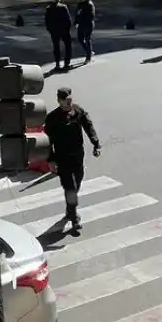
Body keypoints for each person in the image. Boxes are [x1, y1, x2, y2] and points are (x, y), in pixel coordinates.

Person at [43, 87, 101, 232]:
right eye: (66, 100)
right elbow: (46, 140)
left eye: (70, 99)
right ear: (59, 100)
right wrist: (50, 159)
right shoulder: (52, 118)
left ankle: (70, 209)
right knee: (70, 188)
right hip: (62, 157)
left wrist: (96, 143)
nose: (69, 102)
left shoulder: (77, 111)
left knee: (78, 180)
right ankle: (74, 218)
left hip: (77, 155)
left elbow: (88, 126)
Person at [45, 0, 73, 71]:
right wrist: (68, 29)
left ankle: (57, 63)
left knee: (56, 47)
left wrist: (50, 30)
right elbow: (68, 19)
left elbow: (46, 21)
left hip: (54, 31)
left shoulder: (49, 8)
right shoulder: (63, 7)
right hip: (64, 30)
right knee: (68, 46)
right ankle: (66, 63)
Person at [74, 0, 95, 64]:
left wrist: (82, 14)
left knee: (87, 39)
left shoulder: (89, 4)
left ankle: (88, 57)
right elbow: (77, 14)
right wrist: (76, 22)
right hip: (80, 24)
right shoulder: (80, 4)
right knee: (80, 39)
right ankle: (89, 51)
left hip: (88, 24)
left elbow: (91, 16)